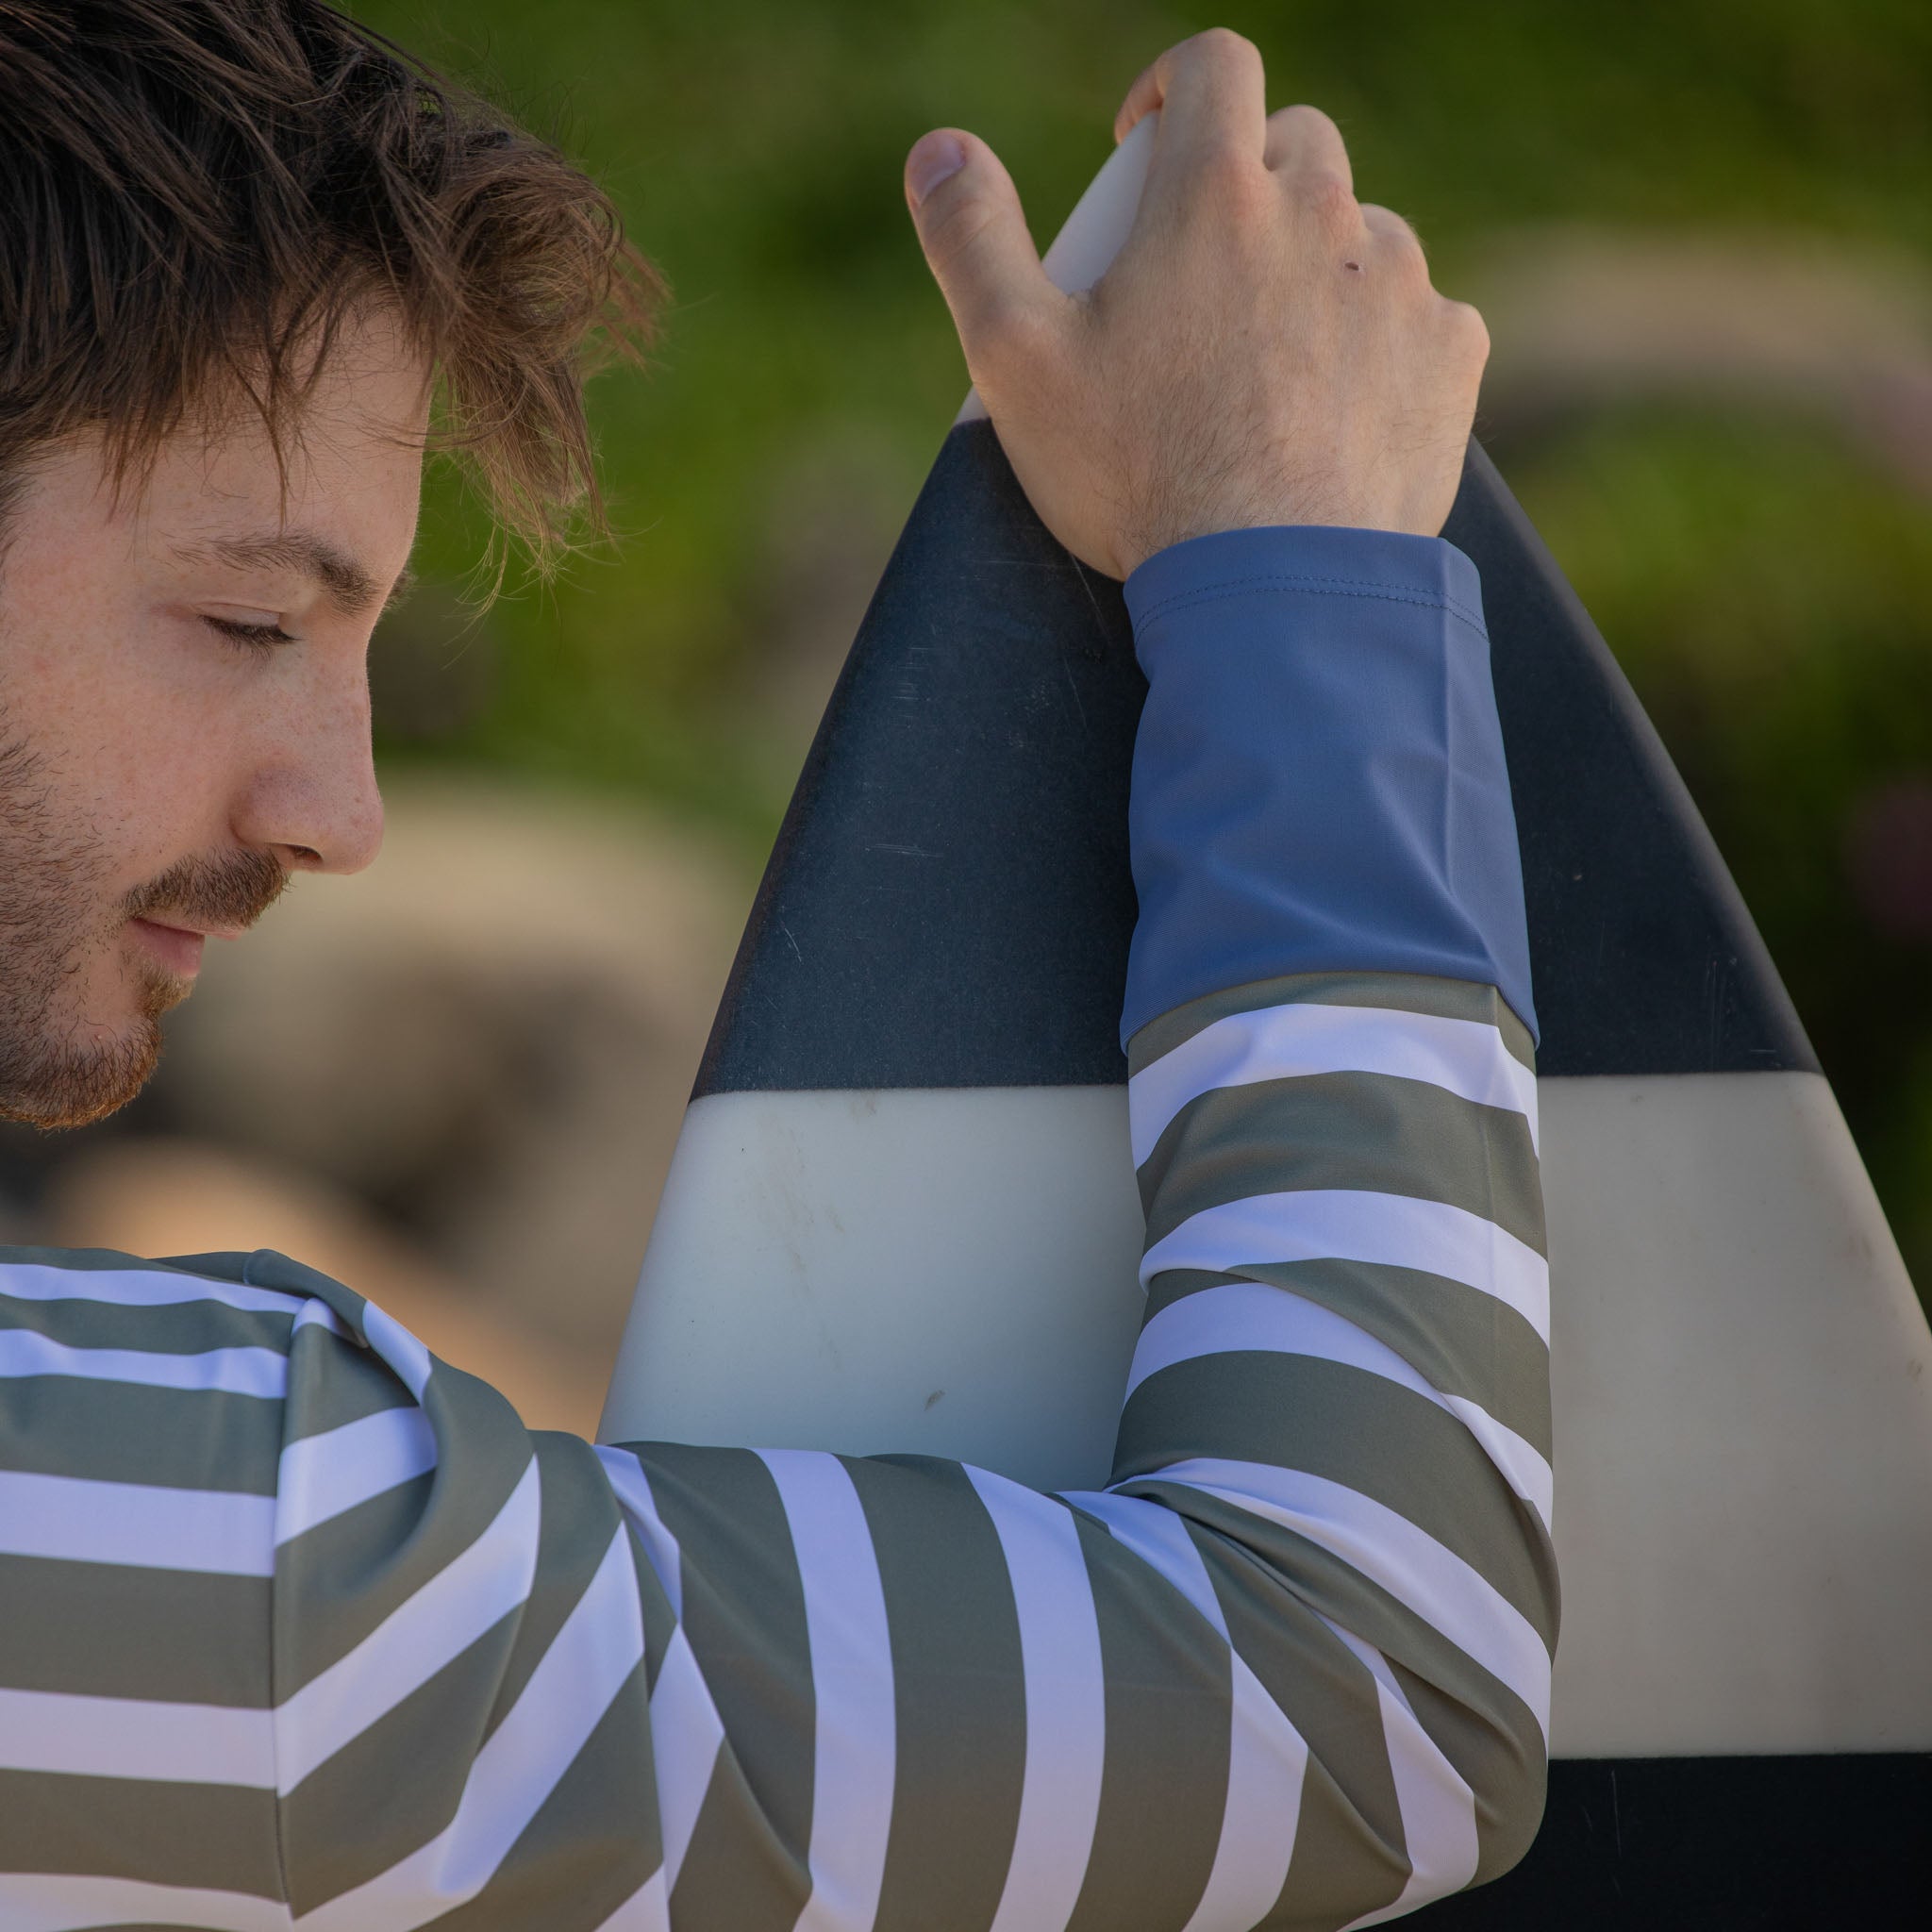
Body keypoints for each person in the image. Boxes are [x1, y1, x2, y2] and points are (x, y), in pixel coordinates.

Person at [0, 4, 1555, 1927]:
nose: (346, 814)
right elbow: (1356, 1714)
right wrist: (1295, 576)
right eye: (248, 619)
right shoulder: (155, 1544)